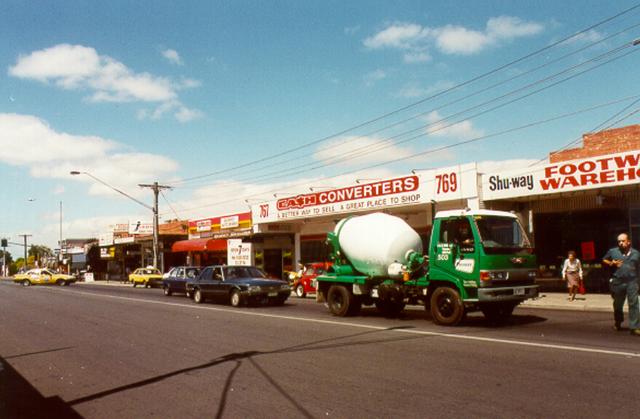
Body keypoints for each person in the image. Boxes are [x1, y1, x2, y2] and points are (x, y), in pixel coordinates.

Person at [602, 233, 640, 336]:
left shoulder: (636, 254)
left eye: (623, 241)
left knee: (634, 304)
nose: (620, 243)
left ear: (628, 242)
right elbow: (604, 260)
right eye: (619, 241)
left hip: (632, 282)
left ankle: (635, 327)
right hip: (618, 282)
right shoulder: (613, 252)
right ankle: (618, 322)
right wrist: (611, 263)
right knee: (618, 304)